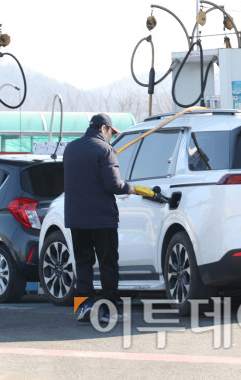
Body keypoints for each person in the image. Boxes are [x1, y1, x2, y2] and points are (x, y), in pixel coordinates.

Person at [62, 113, 135, 327]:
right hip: (102, 218)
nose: (111, 136)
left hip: (76, 218)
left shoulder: (71, 149)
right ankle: (109, 309)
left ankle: (82, 306)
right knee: (107, 264)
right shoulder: (105, 150)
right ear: (104, 128)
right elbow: (112, 185)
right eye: (111, 132)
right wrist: (129, 187)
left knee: (83, 262)